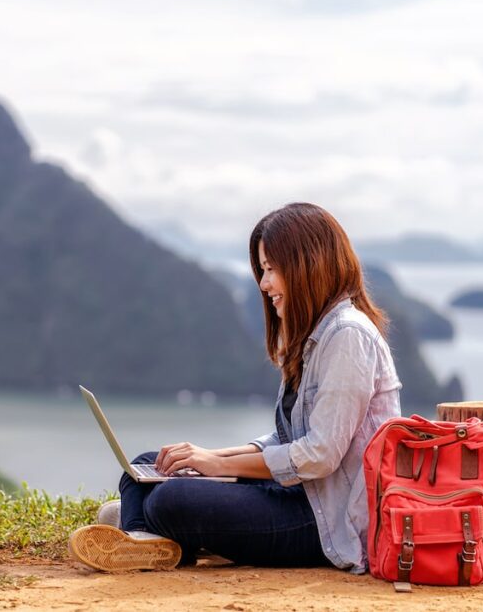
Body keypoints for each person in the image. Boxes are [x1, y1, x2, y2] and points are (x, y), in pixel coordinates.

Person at [67, 202, 402, 573]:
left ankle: (150, 525)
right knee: (147, 465)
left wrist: (214, 465)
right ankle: (146, 538)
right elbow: (286, 438)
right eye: (262, 270)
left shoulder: (347, 336)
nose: (264, 284)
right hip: (298, 494)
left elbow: (320, 454)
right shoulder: (316, 337)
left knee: (171, 499)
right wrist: (212, 459)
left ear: (308, 265)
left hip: (327, 522)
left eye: (272, 269)